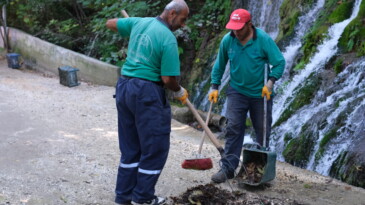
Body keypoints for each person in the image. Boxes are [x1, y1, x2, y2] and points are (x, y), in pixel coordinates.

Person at [105, 1, 189, 204]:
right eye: (182, 19)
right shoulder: (167, 39)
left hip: (125, 87)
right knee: (155, 148)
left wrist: (132, 30)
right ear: (172, 14)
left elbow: (110, 23)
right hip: (146, 93)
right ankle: (142, 198)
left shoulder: (140, 23)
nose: (183, 24)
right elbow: (168, 79)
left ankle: (123, 197)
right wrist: (179, 91)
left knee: (131, 148)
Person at [208, 8, 285, 183]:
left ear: (249, 24)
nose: (236, 31)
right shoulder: (228, 40)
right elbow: (219, 65)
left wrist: (270, 82)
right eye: (233, 28)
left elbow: (279, 62)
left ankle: (259, 169)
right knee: (233, 127)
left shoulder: (263, 40)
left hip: (261, 92)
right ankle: (228, 168)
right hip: (237, 91)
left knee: (262, 130)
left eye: (239, 28)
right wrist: (214, 87)